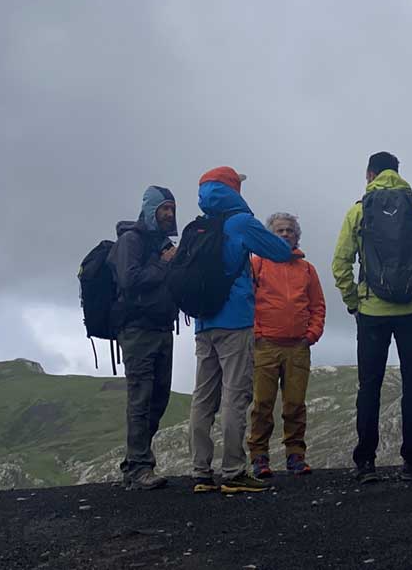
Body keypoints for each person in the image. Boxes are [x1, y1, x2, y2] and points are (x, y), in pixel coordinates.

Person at [332, 151, 412, 483]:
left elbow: (341, 263)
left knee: (369, 386)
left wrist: (354, 301)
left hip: (371, 312)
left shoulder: (358, 210)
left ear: (369, 174)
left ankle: (365, 462)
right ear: (398, 173)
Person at [189, 166, 294, 495]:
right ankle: (233, 470)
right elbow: (280, 252)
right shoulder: (239, 222)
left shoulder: (199, 226)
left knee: (203, 397)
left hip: (203, 322)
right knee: (236, 395)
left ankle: (200, 472)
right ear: (233, 189)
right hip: (234, 321)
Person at [247, 212, 326, 478]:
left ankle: (295, 455)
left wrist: (311, 335)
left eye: (289, 230)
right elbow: (247, 301)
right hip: (265, 345)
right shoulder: (256, 264)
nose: (285, 234)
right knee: (262, 404)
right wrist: (257, 333)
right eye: (279, 231)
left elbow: (318, 306)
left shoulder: (307, 269)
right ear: (270, 235)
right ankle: (259, 457)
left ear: (297, 235)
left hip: (298, 347)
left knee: (295, 404)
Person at [110, 185, 179, 490]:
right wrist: (163, 263)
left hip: (162, 329)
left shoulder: (163, 243)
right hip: (138, 330)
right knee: (141, 397)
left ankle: (135, 462)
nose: (169, 215)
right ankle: (139, 468)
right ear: (150, 210)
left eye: (172, 209)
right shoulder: (131, 240)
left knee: (159, 398)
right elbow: (129, 280)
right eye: (164, 209)